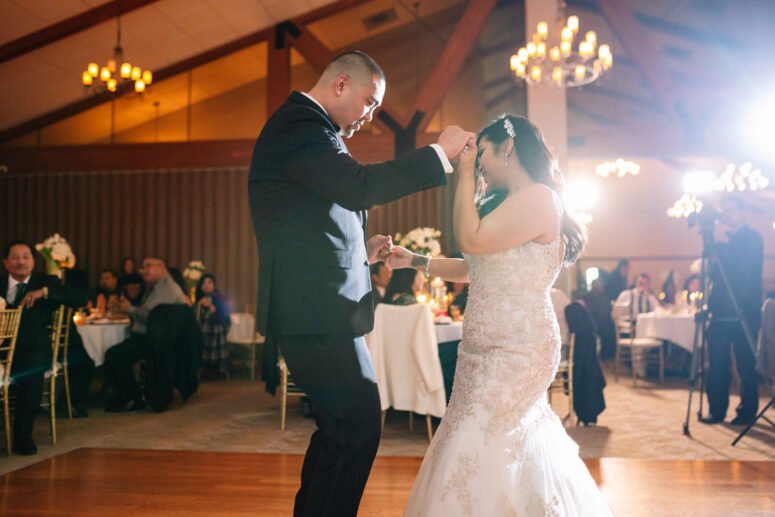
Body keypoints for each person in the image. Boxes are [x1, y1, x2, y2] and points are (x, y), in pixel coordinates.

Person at [248, 50, 472, 517]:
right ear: (341, 84)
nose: (371, 115)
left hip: (319, 306)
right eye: (370, 101)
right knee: (356, 428)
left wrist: (359, 254)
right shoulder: (299, 125)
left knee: (340, 430)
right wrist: (439, 154)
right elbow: (358, 187)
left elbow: (312, 220)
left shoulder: (313, 129)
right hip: (312, 310)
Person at [388, 114, 612, 514]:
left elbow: (471, 238)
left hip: (517, 348)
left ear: (506, 147)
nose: (481, 168)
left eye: (484, 156)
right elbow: (474, 266)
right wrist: (415, 261)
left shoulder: (541, 198)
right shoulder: (512, 205)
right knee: (477, 440)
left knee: (476, 442)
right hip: (480, 349)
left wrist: (462, 175)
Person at [1, 241, 88, 455]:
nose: (20, 261)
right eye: (15, 257)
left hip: (31, 351)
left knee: (31, 374)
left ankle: (22, 436)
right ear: (5, 262)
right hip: (1, 350)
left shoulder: (46, 282)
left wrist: (44, 292)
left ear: (33, 261)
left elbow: (81, 297)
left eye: (25, 257)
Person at [701, 196, 763, 426]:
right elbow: (713, 274)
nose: (726, 214)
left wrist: (722, 245)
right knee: (716, 363)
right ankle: (716, 410)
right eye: (724, 210)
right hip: (719, 310)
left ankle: (747, 412)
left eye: (731, 209)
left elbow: (740, 271)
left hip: (744, 310)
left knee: (745, 364)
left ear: (743, 211)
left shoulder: (753, 239)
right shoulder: (721, 241)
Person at [104, 257, 187, 412]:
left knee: (114, 355)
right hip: (150, 336)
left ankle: (133, 397)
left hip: (155, 341)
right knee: (115, 352)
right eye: (143, 267)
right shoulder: (155, 287)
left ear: (162, 268)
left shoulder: (167, 289)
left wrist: (129, 309)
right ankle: (124, 394)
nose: (143, 270)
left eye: (148, 266)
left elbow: (151, 317)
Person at [195, 273, 231, 375]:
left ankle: (218, 367)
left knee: (213, 332)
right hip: (201, 328)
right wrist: (199, 305)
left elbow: (226, 316)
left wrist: (213, 309)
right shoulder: (199, 299)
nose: (206, 285)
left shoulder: (220, 298)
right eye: (204, 283)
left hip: (216, 328)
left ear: (214, 285)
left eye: (209, 283)